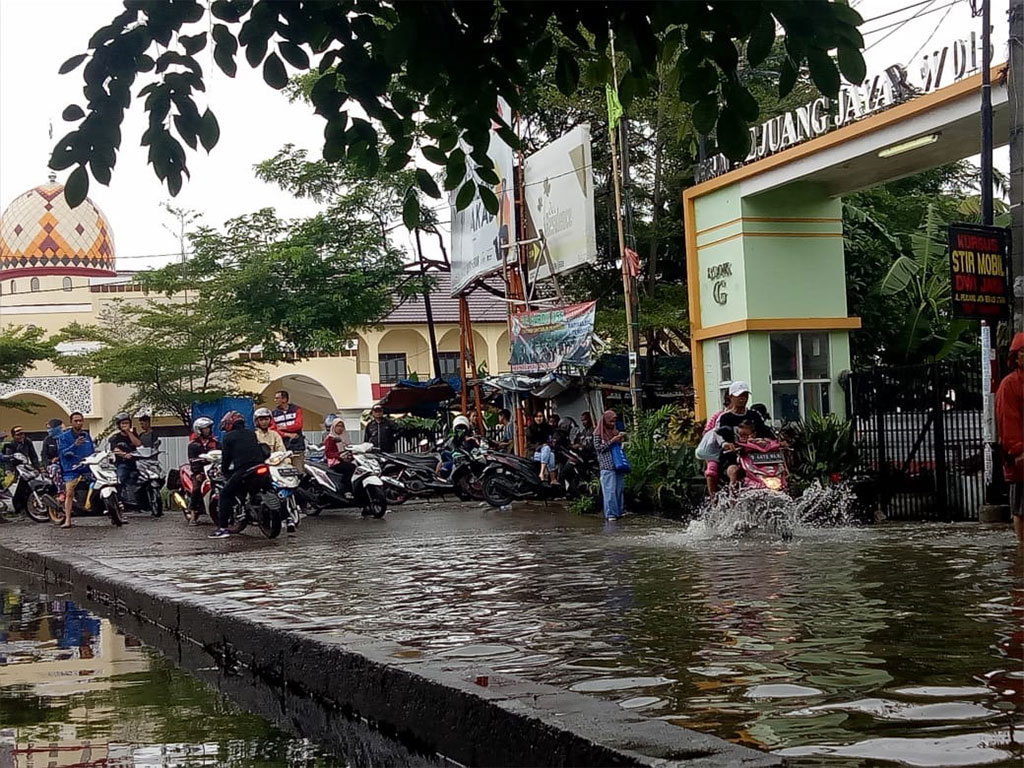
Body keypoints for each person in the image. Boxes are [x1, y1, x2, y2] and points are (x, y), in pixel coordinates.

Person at [210, 411, 265, 539]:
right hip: (261, 467)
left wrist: (224, 472)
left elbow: (226, 459)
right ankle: (289, 518)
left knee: (224, 494)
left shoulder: (228, 437)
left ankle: (223, 528)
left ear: (230, 424)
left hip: (244, 470)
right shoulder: (251, 434)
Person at [996, 331, 1024, 543]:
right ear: (1016, 357)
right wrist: (1018, 451)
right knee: (1022, 511)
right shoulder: (1010, 385)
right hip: (1021, 461)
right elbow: (1008, 422)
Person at [57, 412, 95, 529]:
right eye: (76, 421)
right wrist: (75, 445)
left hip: (86, 467)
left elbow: (92, 451)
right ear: (71, 422)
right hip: (71, 469)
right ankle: (68, 519)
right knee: (69, 492)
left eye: (80, 420)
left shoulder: (87, 435)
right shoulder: (63, 437)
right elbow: (63, 453)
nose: (78, 423)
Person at [594, 409, 626, 520]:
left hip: (619, 464)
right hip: (607, 465)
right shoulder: (598, 434)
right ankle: (611, 514)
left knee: (619, 490)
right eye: (611, 422)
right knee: (610, 491)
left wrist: (620, 439)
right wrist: (612, 441)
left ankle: (619, 511)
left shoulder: (615, 431)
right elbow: (598, 448)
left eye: (614, 422)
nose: (612, 424)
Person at [186, 417, 218, 525]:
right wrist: (198, 473)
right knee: (196, 489)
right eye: (205, 428)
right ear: (199, 430)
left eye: (208, 428)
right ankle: (193, 514)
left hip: (214, 470)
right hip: (200, 472)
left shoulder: (215, 443)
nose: (207, 430)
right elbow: (193, 461)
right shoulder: (193, 445)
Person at [271, 390, 306, 472]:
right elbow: (274, 430)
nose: (275, 400)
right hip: (282, 447)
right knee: (284, 470)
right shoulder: (274, 413)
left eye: (277, 398)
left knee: (299, 469)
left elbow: (298, 425)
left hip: (297, 446)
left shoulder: (296, 410)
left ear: (284, 399)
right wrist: (287, 434)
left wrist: (284, 427)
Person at [107, 412, 142, 491]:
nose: (125, 425)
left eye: (127, 423)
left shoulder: (134, 434)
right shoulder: (115, 437)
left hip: (136, 463)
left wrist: (129, 432)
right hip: (122, 463)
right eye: (123, 423)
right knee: (120, 479)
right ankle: (119, 500)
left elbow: (138, 444)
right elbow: (115, 449)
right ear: (119, 425)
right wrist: (124, 455)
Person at [324, 414, 357, 489]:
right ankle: (346, 489)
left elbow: (350, 447)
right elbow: (328, 453)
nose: (340, 428)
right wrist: (339, 456)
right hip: (336, 462)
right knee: (351, 468)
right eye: (337, 426)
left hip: (346, 459)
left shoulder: (345, 437)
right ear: (333, 427)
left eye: (341, 426)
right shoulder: (330, 438)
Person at [526, 410, 556, 482]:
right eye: (537, 417)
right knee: (547, 450)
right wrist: (540, 446)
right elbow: (528, 444)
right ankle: (543, 473)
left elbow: (552, 438)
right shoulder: (530, 429)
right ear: (534, 418)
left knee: (550, 454)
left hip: (545, 454)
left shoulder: (548, 428)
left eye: (540, 416)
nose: (539, 419)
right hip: (534, 453)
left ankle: (552, 479)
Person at [41, 418, 64, 488]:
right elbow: (44, 455)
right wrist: (50, 462)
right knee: (55, 469)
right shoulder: (47, 440)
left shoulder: (65, 438)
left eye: (50, 428)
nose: (49, 430)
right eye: (48, 428)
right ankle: (61, 491)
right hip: (52, 465)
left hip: (66, 463)